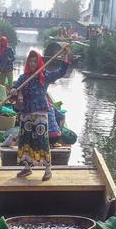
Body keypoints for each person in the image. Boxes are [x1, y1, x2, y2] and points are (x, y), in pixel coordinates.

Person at [8, 45, 71, 180]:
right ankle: (27, 168)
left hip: (40, 114)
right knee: (26, 141)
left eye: (34, 61)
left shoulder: (44, 76)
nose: (32, 64)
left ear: (39, 62)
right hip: (26, 114)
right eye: (30, 61)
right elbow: (14, 87)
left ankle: (48, 170)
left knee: (42, 141)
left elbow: (61, 72)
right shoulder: (24, 77)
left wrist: (65, 55)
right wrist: (13, 90)